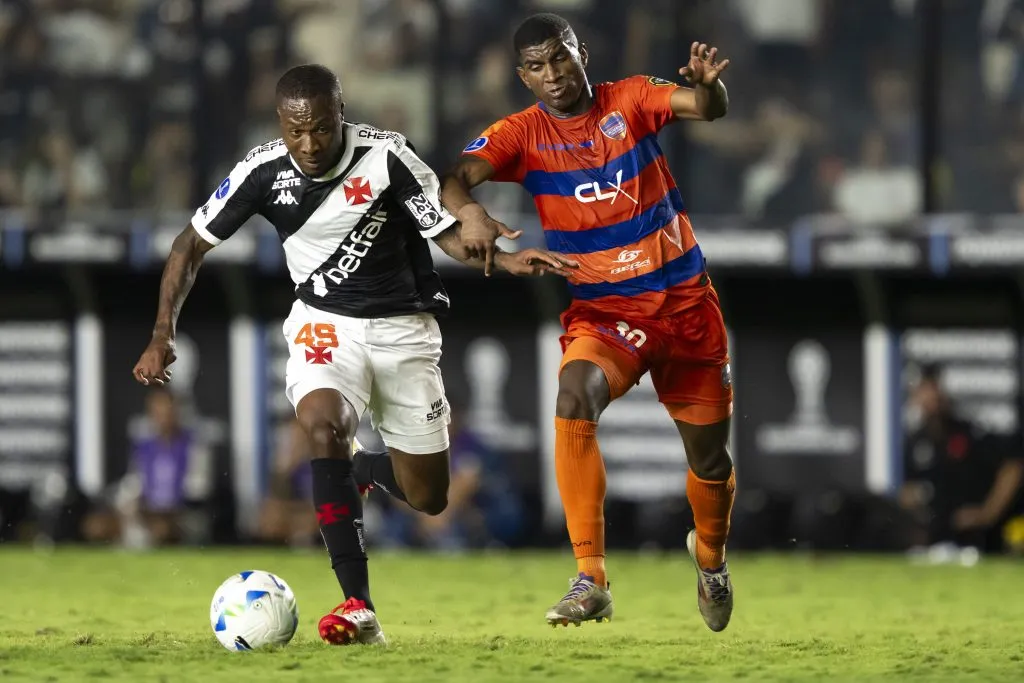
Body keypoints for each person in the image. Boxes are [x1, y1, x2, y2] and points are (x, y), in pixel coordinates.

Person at [132, 64, 575, 646]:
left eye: (321, 128)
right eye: (297, 132)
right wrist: (162, 332)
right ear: (280, 126)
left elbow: (440, 231)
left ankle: (361, 470)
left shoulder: (388, 156)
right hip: (324, 325)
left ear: (341, 115)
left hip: (404, 332)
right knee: (322, 426)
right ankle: (358, 605)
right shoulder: (261, 170)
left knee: (429, 497)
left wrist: (510, 262)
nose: (310, 144)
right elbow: (190, 245)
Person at [440, 13, 736, 632]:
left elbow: (705, 109)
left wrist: (708, 87)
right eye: (537, 67)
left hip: (685, 307)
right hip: (606, 312)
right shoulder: (521, 133)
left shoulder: (628, 99)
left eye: (560, 58)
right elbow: (455, 179)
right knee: (574, 395)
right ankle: (590, 577)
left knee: (708, 462)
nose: (553, 75)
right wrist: (469, 213)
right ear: (523, 76)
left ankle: (709, 558)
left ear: (580, 52)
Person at [901, 365, 1024, 555]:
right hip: (934, 538)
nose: (929, 398)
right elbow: (908, 490)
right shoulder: (916, 441)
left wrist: (987, 513)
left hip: (976, 537)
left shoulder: (970, 434)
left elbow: (1012, 468)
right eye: (923, 391)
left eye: (933, 390)